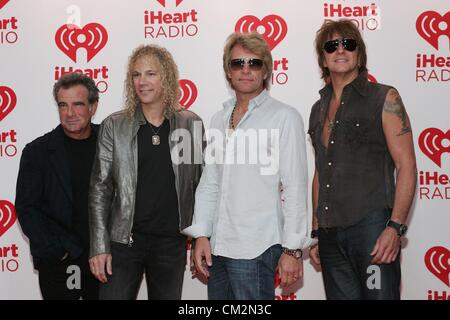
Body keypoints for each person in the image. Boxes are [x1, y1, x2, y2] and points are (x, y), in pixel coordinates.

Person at [183, 32, 312, 300]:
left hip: (257, 248)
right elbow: (210, 183)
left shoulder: (284, 117)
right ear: (227, 71)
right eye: (237, 63)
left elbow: (295, 186)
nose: (245, 70)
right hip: (218, 248)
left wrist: (292, 250)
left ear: (266, 70)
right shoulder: (219, 118)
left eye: (254, 63)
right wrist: (201, 234)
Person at [308, 19, 417, 300]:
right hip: (330, 236)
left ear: (359, 53)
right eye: (332, 46)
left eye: (349, 44)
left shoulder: (384, 97)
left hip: (372, 230)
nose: (340, 50)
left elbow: (406, 165)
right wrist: (318, 230)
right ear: (323, 58)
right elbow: (321, 171)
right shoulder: (317, 109)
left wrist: (394, 227)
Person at [88, 44, 204, 300]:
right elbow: (100, 189)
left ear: (167, 78)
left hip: (171, 243)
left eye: (150, 74)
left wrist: (201, 237)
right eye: (136, 75)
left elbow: (199, 184)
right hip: (123, 244)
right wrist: (98, 246)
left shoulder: (190, 123)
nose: (142, 81)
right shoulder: (115, 125)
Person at [15, 72, 100, 300]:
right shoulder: (37, 152)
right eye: (63, 105)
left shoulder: (110, 143)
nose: (69, 113)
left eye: (78, 104)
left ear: (93, 107)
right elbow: (27, 208)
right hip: (60, 263)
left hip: (105, 260)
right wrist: (61, 252)